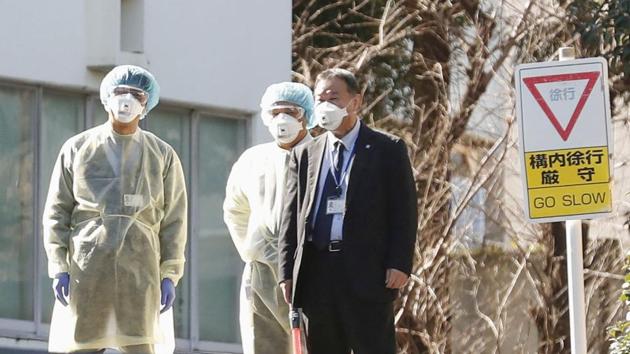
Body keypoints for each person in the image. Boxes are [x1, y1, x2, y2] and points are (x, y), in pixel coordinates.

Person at [42, 65, 187, 354]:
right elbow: (57, 212)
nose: (127, 100)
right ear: (107, 97)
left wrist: (170, 272)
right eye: (120, 92)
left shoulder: (162, 155)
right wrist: (59, 266)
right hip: (88, 267)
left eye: (136, 95)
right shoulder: (78, 148)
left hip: (141, 270)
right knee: (82, 345)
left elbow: (174, 219)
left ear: (147, 105)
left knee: (139, 345)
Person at [278, 68, 418, 354]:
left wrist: (400, 261)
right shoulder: (305, 153)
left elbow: (404, 210)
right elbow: (290, 217)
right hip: (318, 271)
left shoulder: (386, 149)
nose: (325, 105)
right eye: (320, 99)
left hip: (368, 271)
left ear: (355, 102)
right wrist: (286, 272)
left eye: (334, 97)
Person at [223, 82, 315, 354]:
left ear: (306, 116)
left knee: (315, 345)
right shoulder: (253, 159)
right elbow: (235, 210)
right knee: (262, 344)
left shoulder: (322, 154)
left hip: (311, 272)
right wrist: (255, 249)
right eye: (275, 112)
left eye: (291, 111)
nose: (282, 119)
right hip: (261, 273)